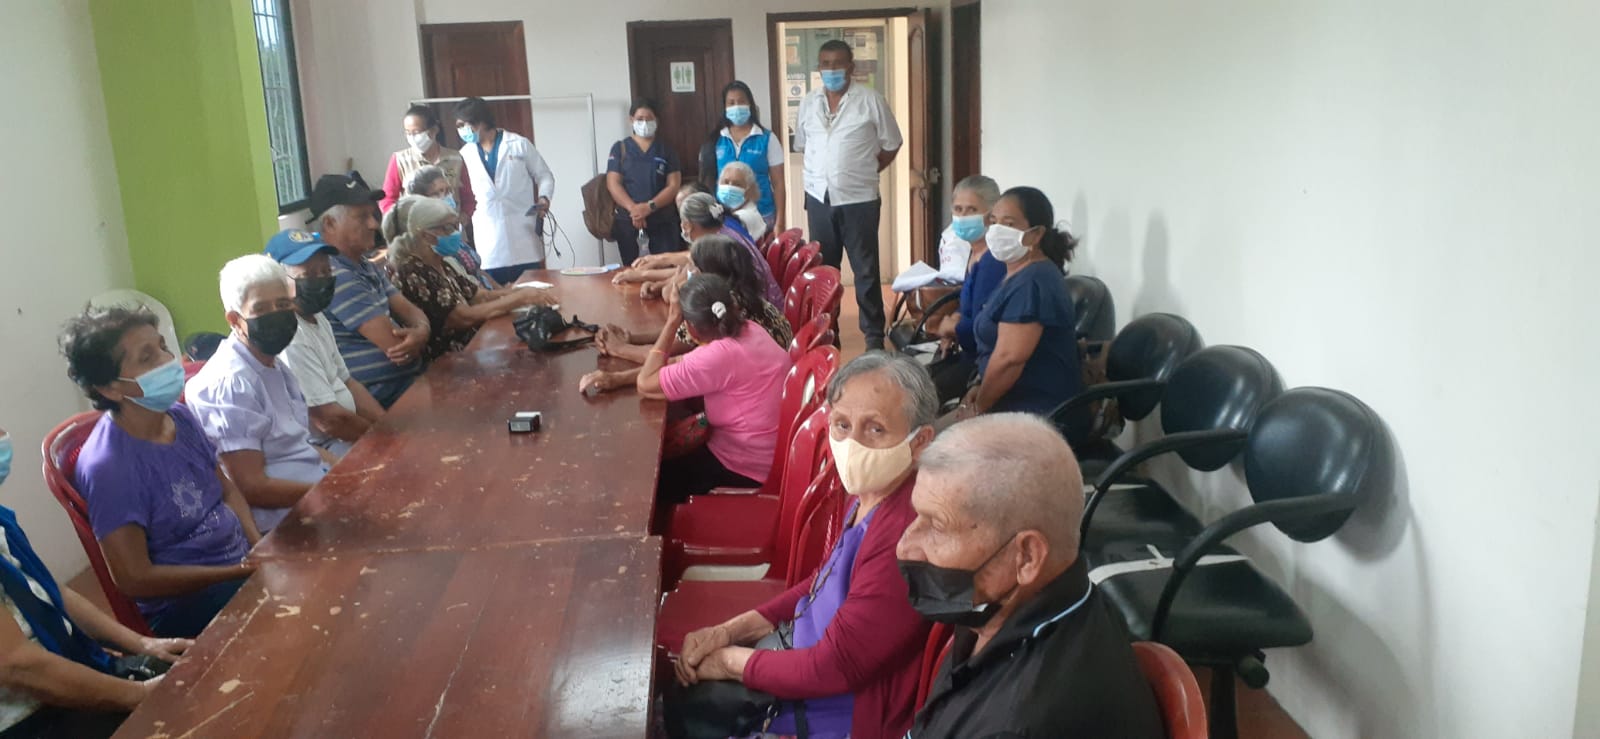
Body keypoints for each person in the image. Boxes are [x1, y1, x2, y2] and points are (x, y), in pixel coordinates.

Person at [672, 353, 938, 739]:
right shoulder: (870, 493)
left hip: (836, 709)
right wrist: (730, 631)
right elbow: (823, 581)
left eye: (876, 429)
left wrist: (730, 662)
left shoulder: (905, 537)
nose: (852, 444)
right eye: (842, 424)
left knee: (692, 711)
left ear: (920, 442)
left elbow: (833, 668)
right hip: (797, 659)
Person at [898, 414, 1163, 738]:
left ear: (1026, 557)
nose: (905, 547)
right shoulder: (1003, 610)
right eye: (917, 516)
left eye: (938, 526)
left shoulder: (1019, 724)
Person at [60, 307, 259, 639]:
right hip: (186, 603)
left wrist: (257, 545)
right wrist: (234, 573)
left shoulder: (179, 417)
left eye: (163, 347)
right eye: (147, 357)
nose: (167, 360)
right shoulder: (109, 467)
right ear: (109, 388)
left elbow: (226, 490)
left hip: (238, 565)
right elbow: (135, 578)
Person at [0, 429, 191, 738]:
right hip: (31, 720)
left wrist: (142, 643)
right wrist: (140, 694)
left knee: (200, 672)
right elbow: (17, 665)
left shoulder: (2, 521)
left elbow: (53, 592)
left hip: (69, 672)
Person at [185, 255, 332, 534]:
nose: (276, 315)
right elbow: (252, 487)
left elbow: (296, 443)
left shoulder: (271, 362)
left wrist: (351, 475)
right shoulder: (231, 382)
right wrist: (330, 491)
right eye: (261, 308)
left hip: (314, 496)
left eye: (283, 305)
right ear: (235, 320)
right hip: (280, 524)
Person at [636, 275, 790, 501]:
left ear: (690, 327)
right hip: (771, 451)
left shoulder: (716, 357)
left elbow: (645, 383)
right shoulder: (751, 329)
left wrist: (671, 322)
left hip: (745, 466)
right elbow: (678, 365)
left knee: (653, 479)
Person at [581, 234, 793, 394]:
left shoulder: (719, 318)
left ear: (710, 275)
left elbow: (666, 361)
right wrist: (630, 338)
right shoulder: (732, 303)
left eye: (693, 267)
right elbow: (682, 356)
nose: (687, 271)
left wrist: (619, 349)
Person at [950, 187, 1084, 437]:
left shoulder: (1033, 282)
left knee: (935, 445)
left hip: (1038, 416)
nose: (997, 231)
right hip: (1008, 402)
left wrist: (979, 408)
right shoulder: (1014, 273)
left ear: (1036, 234)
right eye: (994, 222)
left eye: (1009, 224)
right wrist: (980, 385)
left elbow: (1008, 360)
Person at [797, 39, 904, 351]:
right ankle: (827, 334)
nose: (831, 69)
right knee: (824, 273)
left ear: (851, 67)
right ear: (819, 68)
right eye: (825, 64)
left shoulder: (870, 100)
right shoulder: (809, 103)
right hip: (819, 198)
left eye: (838, 63)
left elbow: (892, 143)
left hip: (860, 201)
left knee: (866, 271)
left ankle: (873, 339)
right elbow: (804, 145)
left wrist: (865, 170)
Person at [310, 173, 432, 409]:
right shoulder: (333, 274)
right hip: (383, 399)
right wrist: (420, 335)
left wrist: (422, 331)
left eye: (372, 215)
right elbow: (398, 348)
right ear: (330, 224)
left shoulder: (363, 264)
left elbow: (410, 310)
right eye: (362, 217)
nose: (374, 224)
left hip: (406, 385)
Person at [382, 195, 555, 360]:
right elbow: (462, 317)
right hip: (449, 359)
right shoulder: (412, 270)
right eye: (448, 228)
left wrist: (522, 292)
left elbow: (480, 295)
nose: (455, 233)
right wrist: (519, 298)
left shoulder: (440, 262)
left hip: (474, 344)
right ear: (426, 235)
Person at [264, 229, 385, 458]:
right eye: (309, 274)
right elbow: (328, 420)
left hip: (348, 432)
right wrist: (381, 440)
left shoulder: (317, 316)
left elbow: (348, 382)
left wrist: (386, 426)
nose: (321, 279)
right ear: (277, 282)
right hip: (323, 445)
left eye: (326, 271)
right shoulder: (292, 335)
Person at [455, 96, 556, 285]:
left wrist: (544, 198)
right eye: (459, 126)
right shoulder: (464, 154)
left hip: (523, 233)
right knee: (496, 292)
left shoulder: (518, 144)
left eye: (465, 125)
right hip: (488, 237)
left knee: (532, 290)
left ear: (481, 121)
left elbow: (544, 176)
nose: (462, 131)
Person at [616, 193, 782, 307]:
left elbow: (672, 294)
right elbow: (686, 272)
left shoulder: (713, 249)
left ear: (688, 225)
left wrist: (657, 283)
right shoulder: (725, 230)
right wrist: (657, 284)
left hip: (756, 316)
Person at [928, 175, 1005, 402]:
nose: (962, 216)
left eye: (972, 210)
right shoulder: (974, 252)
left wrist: (952, 328)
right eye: (958, 209)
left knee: (919, 395)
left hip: (982, 364)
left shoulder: (993, 261)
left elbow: (983, 329)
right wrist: (955, 319)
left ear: (991, 214)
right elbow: (968, 306)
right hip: (967, 351)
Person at [605, 99, 683, 264]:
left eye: (649, 119)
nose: (644, 123)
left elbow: (673, 185)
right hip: (628, 221)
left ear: (656, 121)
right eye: (640, 119)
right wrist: (634, 209)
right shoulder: (620, 148)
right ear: (631, 119)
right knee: (632, 269)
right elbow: (613, 183)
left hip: (662, 221)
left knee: (665, 267)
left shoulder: (666, 150)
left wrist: (649, 207)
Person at [405, 164, 495, 289]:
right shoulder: (431, 242)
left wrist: (507, 289)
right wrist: (511, 296)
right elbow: (472, 294)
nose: (445, 197)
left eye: (447, 191)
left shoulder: (451, 232)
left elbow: (478, 272)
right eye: (436, 193)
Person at [379, 104, 476, 220]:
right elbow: (387, 199)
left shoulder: (455, 159)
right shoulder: (400, 160)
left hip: (450, 226)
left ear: (434, 130)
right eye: (408, 133)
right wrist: (398, 221)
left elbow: (468, 198)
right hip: (415, 228)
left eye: (416, 132)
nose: (412, 137)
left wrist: (463, 218)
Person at [712, 80, 786, 232]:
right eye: (731, 103)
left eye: (741, 101)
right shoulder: (717, 139)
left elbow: (779, 184)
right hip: (727, 218)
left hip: (762, 216)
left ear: (750, 104)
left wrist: (780, 223)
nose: (736, 106)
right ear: (724, 108)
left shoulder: (767, 139)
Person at [716, 160, 768, 241]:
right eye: (726, 182)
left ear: (749, 190)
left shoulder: (743, 217)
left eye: (737, 184)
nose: (729, 188)